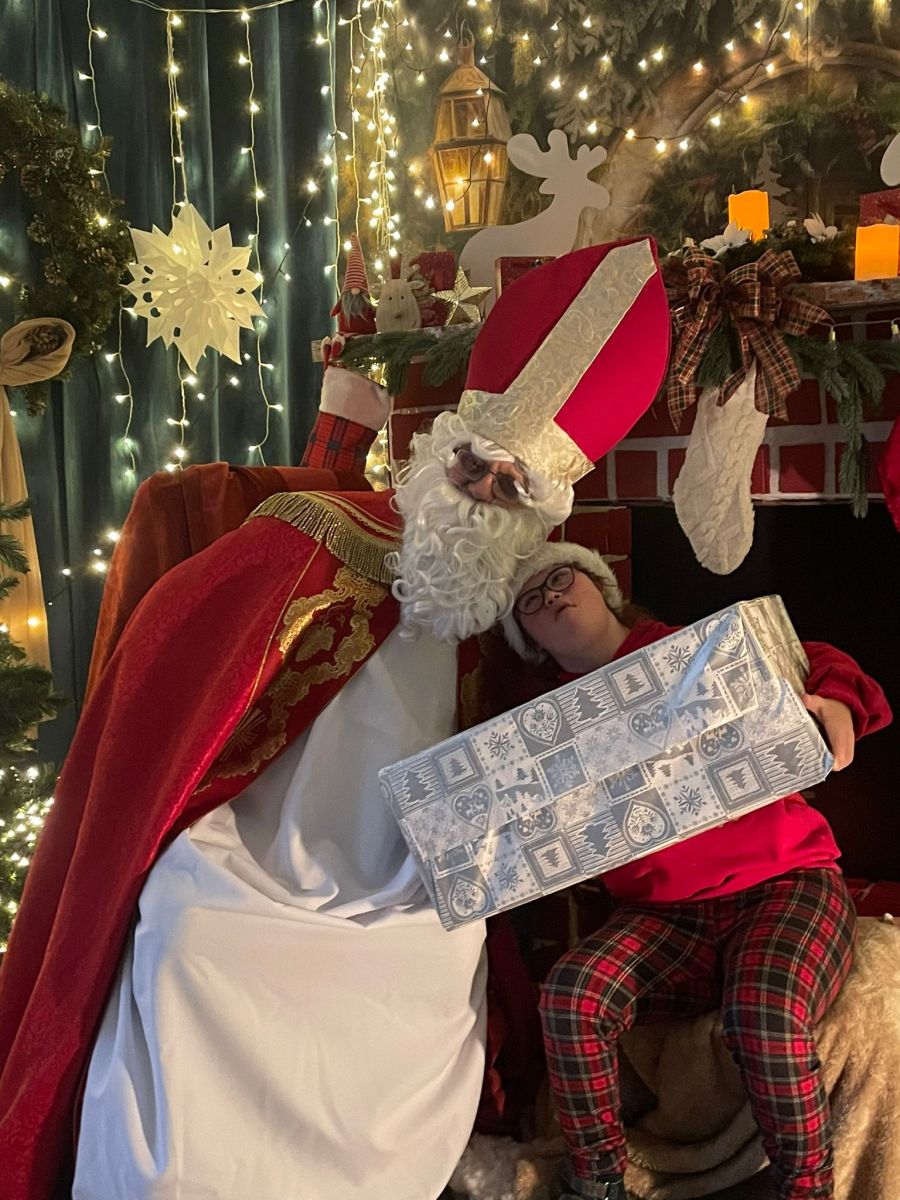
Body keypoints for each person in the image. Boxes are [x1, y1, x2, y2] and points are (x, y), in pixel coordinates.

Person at [0, 238, 672, 1200]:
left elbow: (636, 685)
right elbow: (171, 669)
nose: (481, 493)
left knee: (430, 966)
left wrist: (826, 693)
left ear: (538, 512)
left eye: (511, 487)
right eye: (476, 466)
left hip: (409, 879)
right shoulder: (309, 538)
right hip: (252, 853)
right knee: (188, 935)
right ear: (446, 447)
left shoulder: (514, 616)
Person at [499, 542, 892, 1200]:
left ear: (600, 584)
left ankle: (807, 1192)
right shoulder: (543, 728)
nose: (552, 598)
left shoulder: (692, 647)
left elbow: (811, 655)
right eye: (530, 602)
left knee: (764, 1012)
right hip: (664, 917)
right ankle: (598, 1184)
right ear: (528, 637)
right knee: (572, 995)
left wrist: (836, 702)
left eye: (560, 578)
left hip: (783, 880)